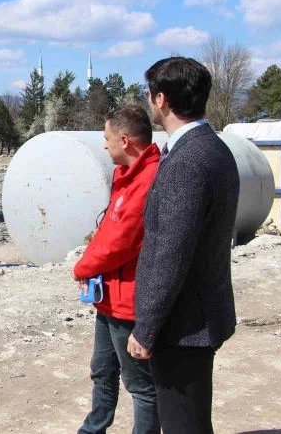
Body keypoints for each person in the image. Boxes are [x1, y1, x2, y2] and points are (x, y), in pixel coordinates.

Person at [127, 57, 239, 434]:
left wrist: (146, 328)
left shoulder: (187, 161)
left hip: (183, 324)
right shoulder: (214, 149)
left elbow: (171, 253)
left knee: (182, 426)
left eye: (149, 94)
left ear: (161, 99)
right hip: (200, 315)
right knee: (191, 421)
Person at [74, 106, 161, 434]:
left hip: (129, 302)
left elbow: (121, 240)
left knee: (140, 385)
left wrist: (82, 267)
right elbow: (108, 230)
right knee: (102, 370)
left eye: (107, 138)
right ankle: (93, 428)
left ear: (124, 140)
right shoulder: (127, 174)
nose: (105, 145)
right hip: (109, 295)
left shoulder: (149, 179)